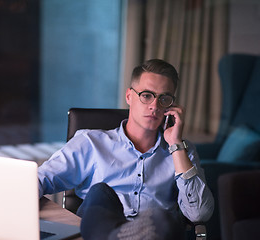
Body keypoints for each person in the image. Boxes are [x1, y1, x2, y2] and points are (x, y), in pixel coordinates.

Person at [38, 59, 214, 239]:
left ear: (171, 106)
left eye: (164, 98)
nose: (154, 106)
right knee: (100, 192)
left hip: (153, 234)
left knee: (161, 217)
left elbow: (199, 214)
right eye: (147, 95)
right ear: (129, 96)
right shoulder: (90, 142)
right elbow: (40, 179)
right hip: (101, 226)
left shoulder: (182, 151)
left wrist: (176, 145)